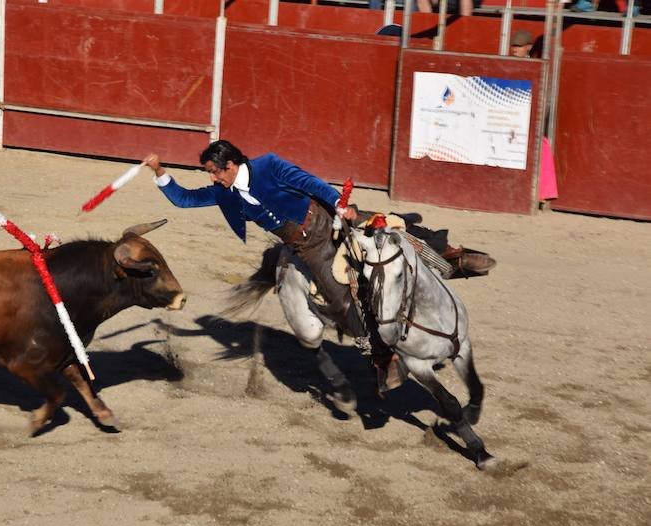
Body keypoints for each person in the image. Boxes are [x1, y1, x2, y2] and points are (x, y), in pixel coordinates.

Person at [143, 141, 493, 392]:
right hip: (306, 246)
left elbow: (308, 182)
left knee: (393, 227)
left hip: (326, 220)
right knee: (340, 300)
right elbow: (184, 199)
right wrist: (159, 171)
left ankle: (453, 258)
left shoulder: (269, 165)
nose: (212, 180)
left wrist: (340, 206)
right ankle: (382, 358)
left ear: (229, 166)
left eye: (214, 173)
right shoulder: (224, 192)